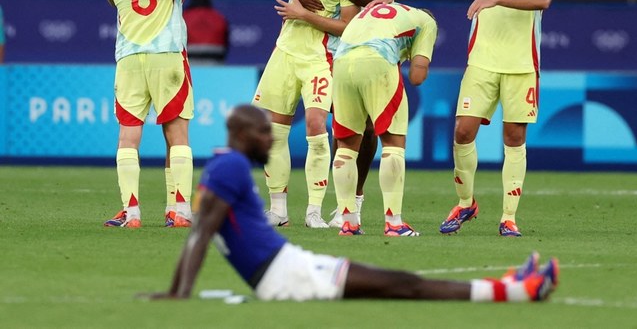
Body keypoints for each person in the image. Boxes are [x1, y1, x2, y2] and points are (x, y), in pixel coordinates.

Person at [140, 104, 559, 302]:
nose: (271, 141)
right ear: (244, 135)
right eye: (264, 134)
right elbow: (201, 233)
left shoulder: (220, 165)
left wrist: (176, 291)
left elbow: (201, 233)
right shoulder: (231, 168)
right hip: (288, 278)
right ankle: (518, 291)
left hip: (289, 267)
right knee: (403, 286)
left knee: (400, 282)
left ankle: (508, 286)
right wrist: (178, 295)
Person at [368, 0, 556, 238]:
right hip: (481, 65)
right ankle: (465, 202)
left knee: (514, 138)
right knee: (462, 133)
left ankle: (508, 218)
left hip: (522, 67)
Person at [199, 0, 364, 229]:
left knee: (317, 127)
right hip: (285, 53)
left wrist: (305, 15)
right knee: (272, 132)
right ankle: (278, 210)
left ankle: (314, 210)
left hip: (320, 58)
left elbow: (350, 26)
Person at [280, 0, 396, 228]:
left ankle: (355, 199)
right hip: (333, 41)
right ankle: (342, 204)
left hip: (373, 41)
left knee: (371, 126)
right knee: (342, 123)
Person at [100, 0, 208, 229]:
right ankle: (180, 210)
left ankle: (130, 212)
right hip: (168, 53)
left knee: (128, 138)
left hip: (130, 57)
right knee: (177, 135)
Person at [331, 3, 438, 237]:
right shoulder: (427, 22)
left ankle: (348, 222)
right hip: (377, 60)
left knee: (347, 146)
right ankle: (394, 223)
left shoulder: (381, 12)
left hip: (340, 63)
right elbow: (418, 76)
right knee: (393, 143)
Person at [182, 0, 229, 64]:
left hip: (188, 63)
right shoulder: (220, 19)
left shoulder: (183, 18)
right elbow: (225, 46)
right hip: (215, 64)